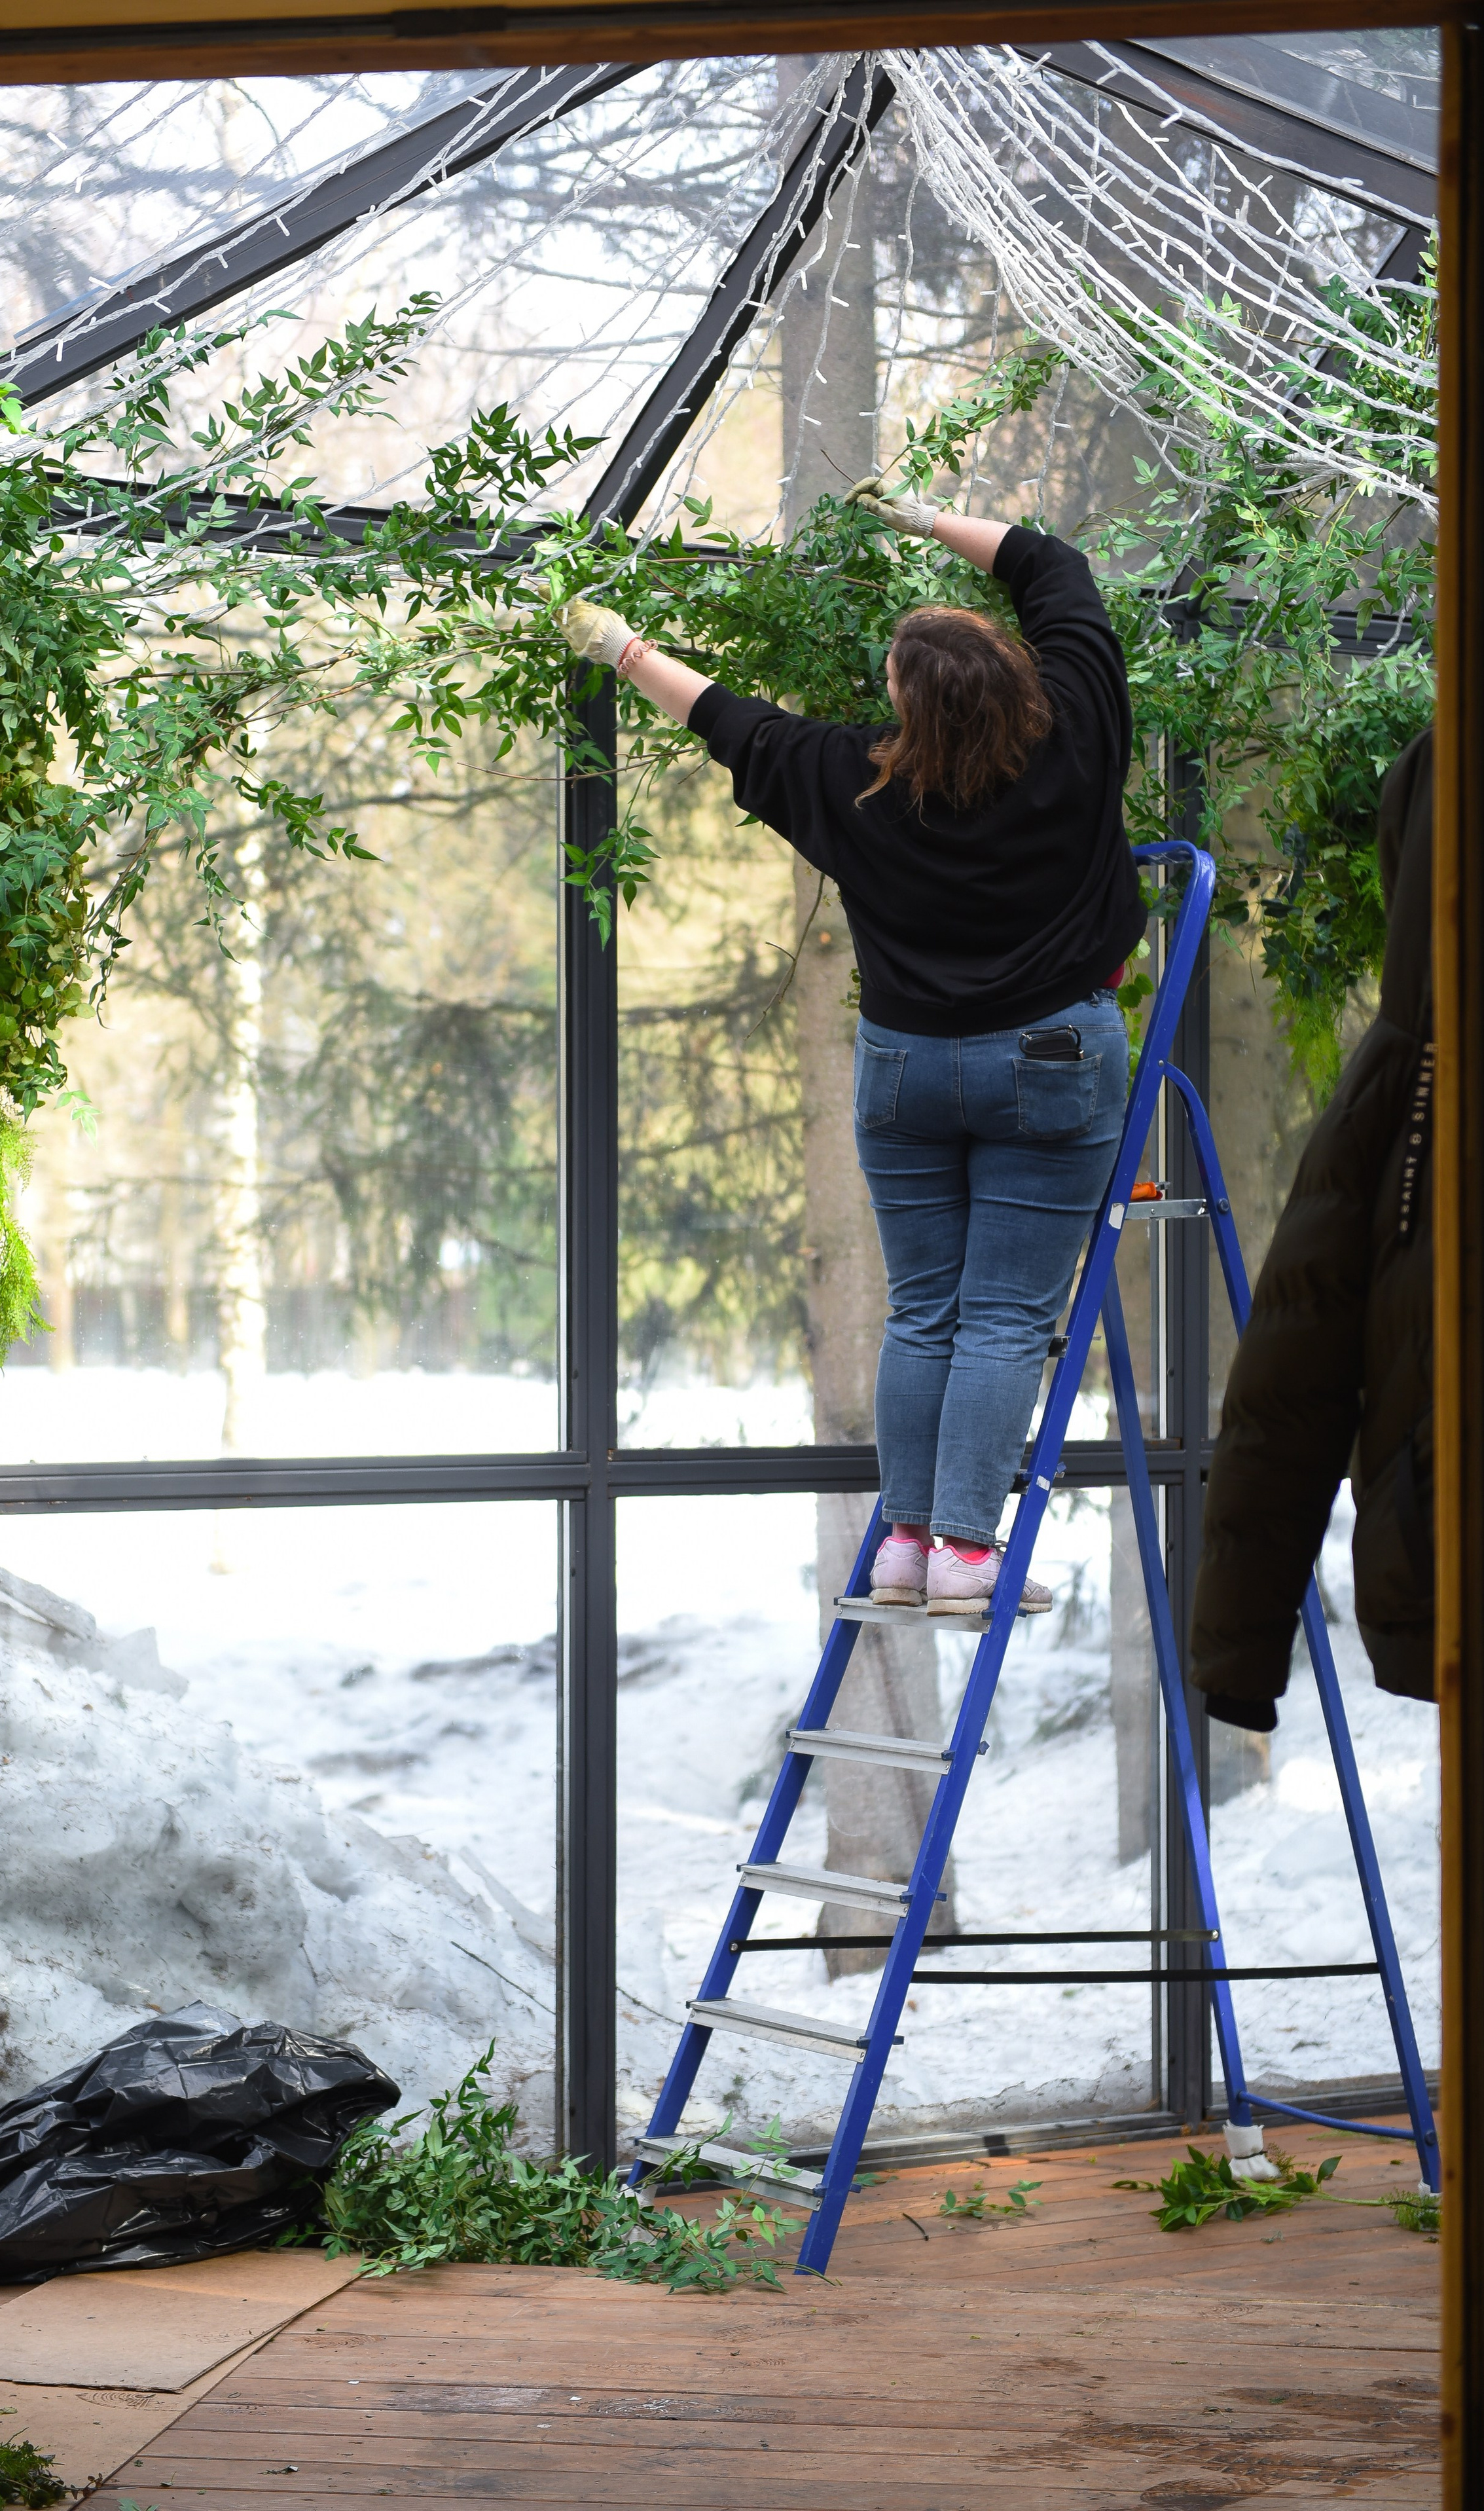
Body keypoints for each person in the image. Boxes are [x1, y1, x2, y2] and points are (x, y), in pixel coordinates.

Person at [558, 481, 1145, 1609]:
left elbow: (725, 715)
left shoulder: (853, 781)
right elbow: (1051, 565)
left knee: (926, 1311)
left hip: (908, 1072)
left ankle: (905, 1546)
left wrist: (618, 644)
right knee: (1008, 1317)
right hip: (1050, 1063)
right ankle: (969, 1557)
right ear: (1018, 674)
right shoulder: (1079, 716)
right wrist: (924, 518)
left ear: (903, 705)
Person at [1191, 727, 1433, 1724]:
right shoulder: (1417, 1076)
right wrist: (1239, 1647)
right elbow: (1298, 1361)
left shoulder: (1411, 1075)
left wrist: (1239, 1648)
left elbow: (1295, 1359)